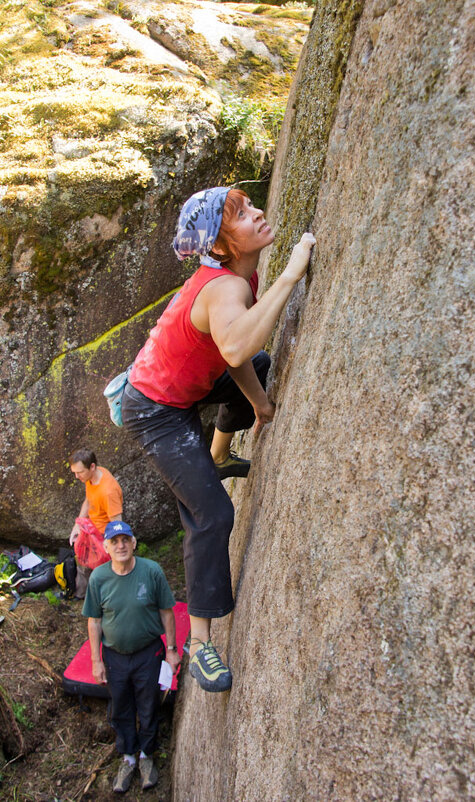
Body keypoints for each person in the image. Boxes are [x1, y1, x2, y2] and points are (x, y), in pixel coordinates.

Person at [121, 186, 315, 693]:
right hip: (156, 412)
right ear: (222, 246)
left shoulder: (235, 277)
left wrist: (260, 404)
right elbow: (235, 342)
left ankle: (220, 454)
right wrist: (292, 273)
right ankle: (201, 643)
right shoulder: (226, 288)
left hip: (187, 388)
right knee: (212, 514)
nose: (258, 214)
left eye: (251, 206)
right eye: (242, 215)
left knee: (263, 364)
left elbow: (237, 357)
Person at [82, 520, 182, 794]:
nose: (121, 545)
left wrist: (172, 650)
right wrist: (96, 660)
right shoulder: (99, 578)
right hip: (114, 656)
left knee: (149, 705)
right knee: (121, 706)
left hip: (149, 653)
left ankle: (146, 756)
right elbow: (94, 621)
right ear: (106, 547)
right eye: (114, 541)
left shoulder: (151, 572)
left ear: (134, 543)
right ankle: (127, 755)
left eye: (125, 540)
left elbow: (166, 612)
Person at [68, 448, 123, 598]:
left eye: (79, 472)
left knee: (103, 573)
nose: (76, 476)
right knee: (83, 562)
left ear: (92, 466)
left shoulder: (108, 491)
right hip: (91, 530)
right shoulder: (92, 477)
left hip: (103, 536)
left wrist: (109, 544)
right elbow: (88, 500)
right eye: (74, 472)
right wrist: (77, 525)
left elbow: (117, 523)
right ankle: (81, 595)